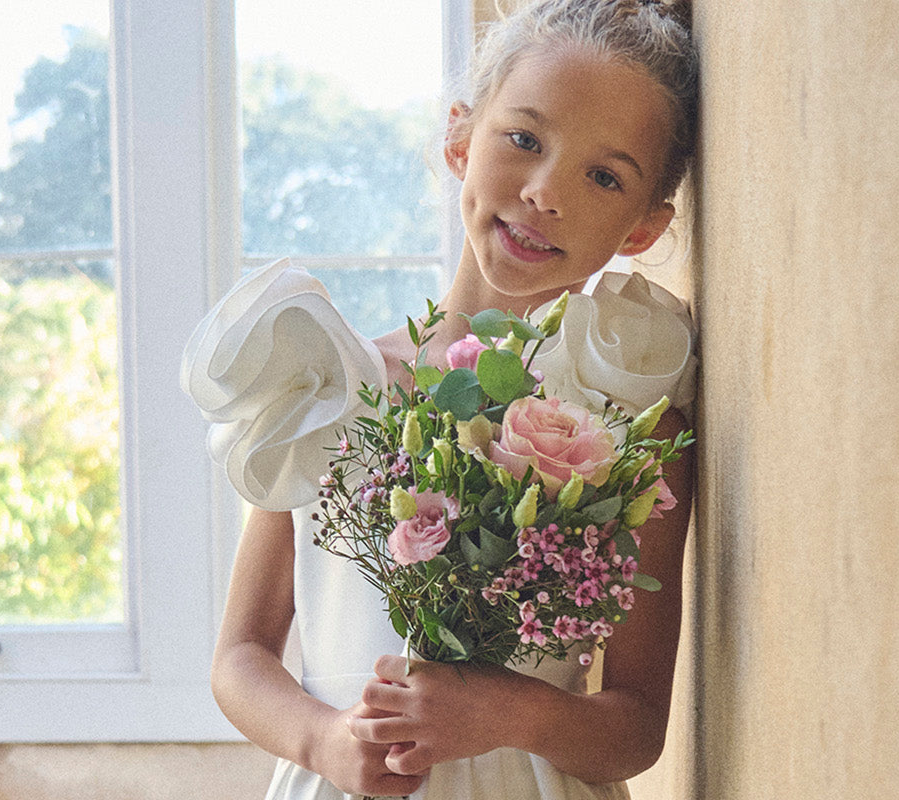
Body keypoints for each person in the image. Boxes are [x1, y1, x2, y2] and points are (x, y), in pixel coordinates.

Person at [195, 1, 699, 797]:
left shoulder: (631, 429)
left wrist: (512, 713)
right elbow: (239, 658)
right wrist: (323, 740)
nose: (544, 192)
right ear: (461, 139)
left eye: (603, 176)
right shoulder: (329, 387)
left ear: (641, 229)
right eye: (524, 140)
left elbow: (634, 727)